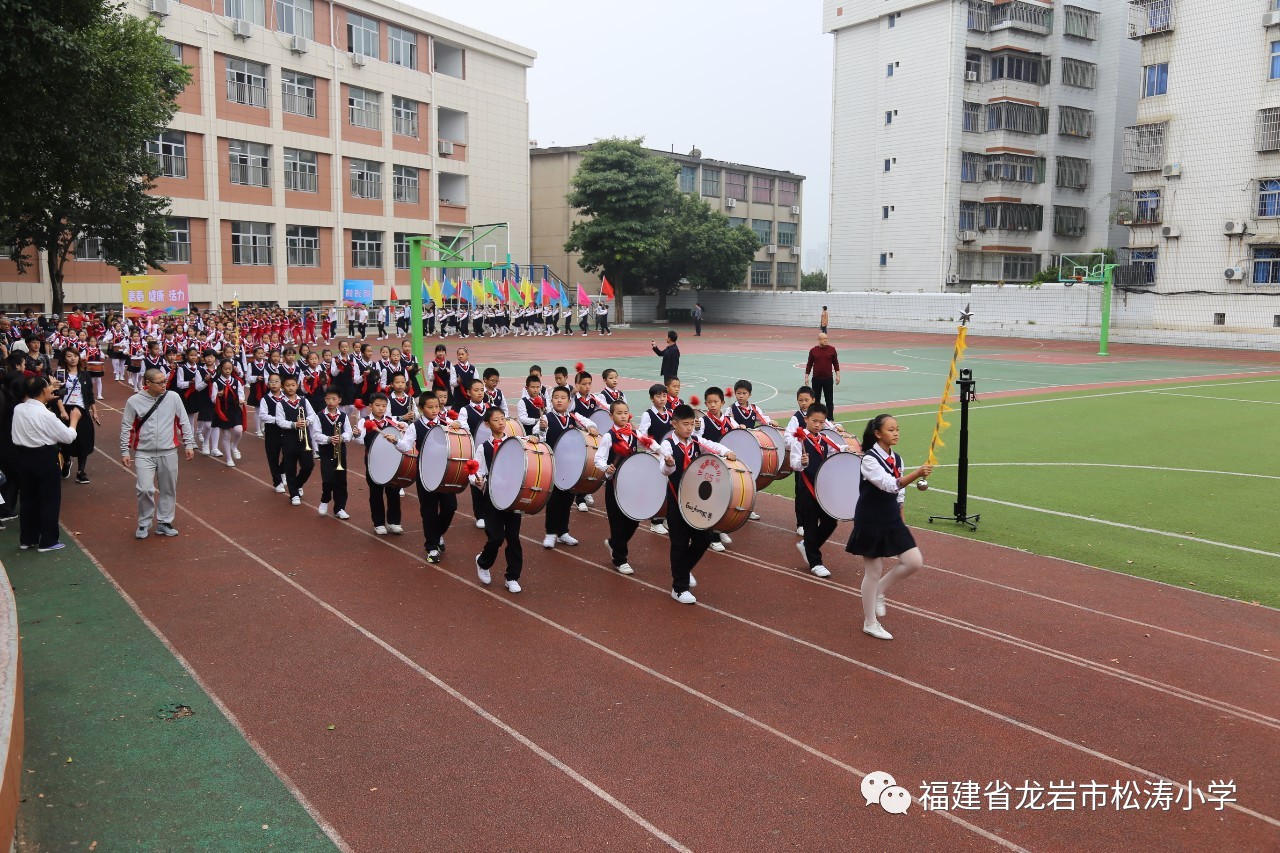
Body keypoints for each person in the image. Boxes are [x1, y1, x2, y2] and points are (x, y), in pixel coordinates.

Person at [847, 414, 932, 641]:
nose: (896, 433)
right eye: (891, 430)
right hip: (871, 518)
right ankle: (870, 622)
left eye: (897, 429)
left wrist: (901, 513)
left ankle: (879, 591)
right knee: (872, 572)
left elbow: (899, 492)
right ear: (878, 433)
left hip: (891, 517)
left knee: (914, 561)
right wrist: (917, 474)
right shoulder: (869, 459)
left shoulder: (898, 458)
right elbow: (888, 484)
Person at [659, 404, 736, 605]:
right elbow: (664, 470)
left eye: (692, 424)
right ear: (674, 424)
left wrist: (727, 451)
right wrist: (668, 464)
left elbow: (713, 445)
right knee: (679, 543)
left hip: (695, 500)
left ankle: (682, 570)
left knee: (703, 540)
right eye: (685, 425)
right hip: (677, 501)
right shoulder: (667, 444)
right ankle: (679, 587)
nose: (689, 429)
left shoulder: (695, 441)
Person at [120, 368, 196, 540]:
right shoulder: (134, 401)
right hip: (143, 453)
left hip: (168, 451)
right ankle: (144, 522)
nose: (164, 385)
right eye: (159, 382)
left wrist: (189, 444)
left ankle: (164, 522)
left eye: (165, 381)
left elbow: (183, 420)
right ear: (147, 384)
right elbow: (127, 427)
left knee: (168, 488)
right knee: (145, 489)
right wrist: (124, 450)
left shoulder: (173, 397)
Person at [10, 376, 78, 551]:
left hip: (23, 457)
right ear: (43, 391)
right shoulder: (45, 414)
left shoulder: (19, 409)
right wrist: (74, 421)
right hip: (44, 457)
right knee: (49, 499)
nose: (51, 390)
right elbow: (68, 437)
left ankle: (27, 539)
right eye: (48, 387)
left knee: (27, 498)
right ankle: (48, 540)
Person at [469, 407, 529, 593]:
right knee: (496, 538)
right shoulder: (483, 447)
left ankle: (512, 577)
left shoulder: (516, 442)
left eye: (503, 419)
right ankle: (483, 562)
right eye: (496, 420)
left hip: (513, 497)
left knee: (513, 538)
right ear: (488, 424)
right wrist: (477, 480)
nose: (501, 423)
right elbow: (475, 472)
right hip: (492, 498)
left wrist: (537, 436)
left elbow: (532, 450)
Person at [790, 404, 852, 578]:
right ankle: (815, 562)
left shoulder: (824, 439)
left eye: (821, 422)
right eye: (814, 421)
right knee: (810, 525)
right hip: (807, 488)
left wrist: (848, 450)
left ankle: (808, 545)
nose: (817, 425)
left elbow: (837, 449)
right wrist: (802, 462)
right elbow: (793, 464)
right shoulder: (799, 440)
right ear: (806, 420)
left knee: (830, 522)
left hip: (824, 488)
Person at [56, 349, 100, 483]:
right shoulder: (60, 374)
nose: (73, 359)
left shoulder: (85, 374)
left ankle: (81, 471)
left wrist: (94, 411)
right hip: (65, 410)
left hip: (82, 410)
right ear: (64, 358)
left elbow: (90, 395)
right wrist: (62, 411)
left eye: (75, 356)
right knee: (64, 441)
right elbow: (57, 394)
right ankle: (67, 461)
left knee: (84, 441)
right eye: (69, 356)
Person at [310, 388, 353, 520]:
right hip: (326, 451)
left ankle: (340, 507)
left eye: (334, 399)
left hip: (340, 451)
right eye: (328, 398)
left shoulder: (344, 416)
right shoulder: (320, 416)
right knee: (328, 478)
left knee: (341, 480)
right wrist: (328, 439)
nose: (330, 401)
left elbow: (349, 432)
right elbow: (316, 434)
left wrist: (342, 437)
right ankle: (325, 499)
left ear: (339, 400)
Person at [805, 332, 841, 418]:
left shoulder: (832, 350)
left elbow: (836, 363)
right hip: (816, 379)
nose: (826, 340)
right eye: (823, 338)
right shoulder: (813, 351)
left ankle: (830, 419)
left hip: (828, 379)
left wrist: (838, 375)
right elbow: (809, 364)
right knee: (816, 400)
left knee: (829, 400)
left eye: (827, 338)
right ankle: (816, 417)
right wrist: (806, 377)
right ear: (819, 340)